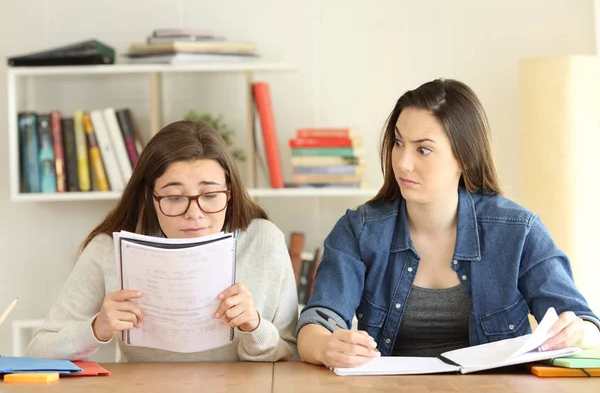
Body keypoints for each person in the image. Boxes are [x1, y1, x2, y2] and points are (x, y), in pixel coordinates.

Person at [296, 79, 600, 368]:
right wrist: (327, 346)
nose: (402, 162)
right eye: (398, 143)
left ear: (464, 157)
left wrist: (577, 332)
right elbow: (317, 323)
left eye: (423, 149)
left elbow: (587, 326)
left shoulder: (518, 230)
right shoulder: (359, 229)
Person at [27, 120, 298, 362]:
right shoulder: (109, 249)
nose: (195, 214)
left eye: (211, 195)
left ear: (230, 193)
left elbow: (292, 355)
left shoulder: (263, 240)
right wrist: (97, 328)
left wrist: (255, 326)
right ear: (150, 196)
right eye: (175, 198)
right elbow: (39, 351)